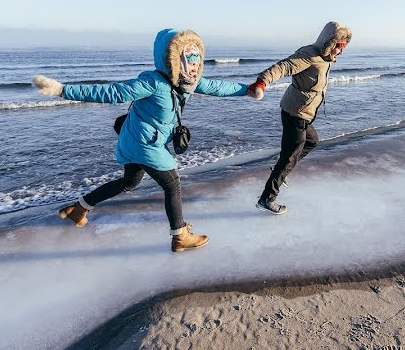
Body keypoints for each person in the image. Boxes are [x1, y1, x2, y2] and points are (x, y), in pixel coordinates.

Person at [33, 29, 258, 252]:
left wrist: (247, 90)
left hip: (136, 139)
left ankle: (79, 209)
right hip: (143, 143)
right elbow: (112, 93)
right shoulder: (152, 82)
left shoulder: (188, 82)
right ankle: (180, 236)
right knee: (172, 183)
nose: (193, 66)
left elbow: (217, 87)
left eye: (196, 59)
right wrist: (62, 90)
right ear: (171, 58)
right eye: (187, 59)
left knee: (129, 183)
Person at [247, 21, 353, 214]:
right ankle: (266, 199)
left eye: (343, 48)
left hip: (305, 114)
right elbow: (284, 67)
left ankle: (282, 168)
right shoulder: (309, 55)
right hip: (294, 113)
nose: (341, 52)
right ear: (330, 42)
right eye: (339, 47)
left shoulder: (324, 57)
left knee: (311, 141)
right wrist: (262, 82)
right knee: (290, 155)